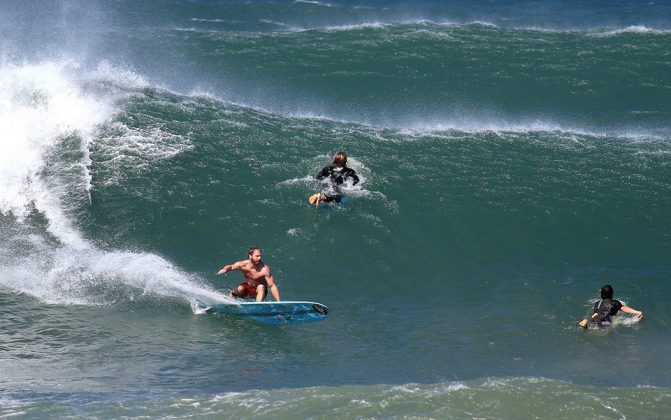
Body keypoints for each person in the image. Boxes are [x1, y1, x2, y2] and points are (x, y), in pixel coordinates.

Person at [217, 247, 281, 302]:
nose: (259, 258)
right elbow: (231, 267)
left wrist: (278, 302)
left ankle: (258, 306)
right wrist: (225, 269)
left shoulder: (264, 269)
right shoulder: (243, 265)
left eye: (260, 256)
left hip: (260, 291)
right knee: (240, 288)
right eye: (257, 256)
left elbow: (272, 286)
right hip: (248, 288)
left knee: (261, 286)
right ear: (250, 256)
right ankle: (228, 303)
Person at [578, 284, 643, 328]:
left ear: (601, 294)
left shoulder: (597, 303)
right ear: (612, 294)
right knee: (619, 321)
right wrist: (637, 312)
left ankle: (587, 324)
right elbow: (624, 308)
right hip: (605, 320)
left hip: (594, 318)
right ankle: (598, 321)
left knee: (593, 325)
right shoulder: (614, 302)